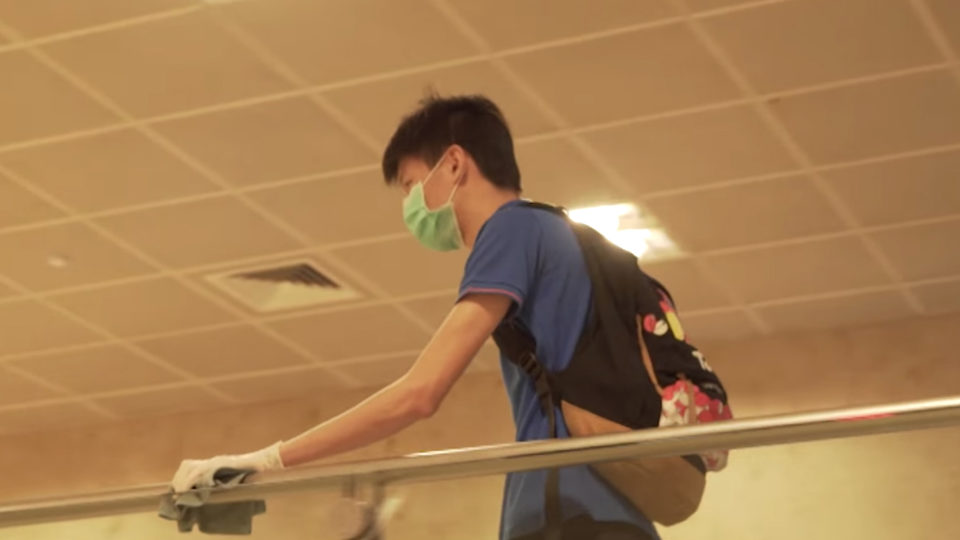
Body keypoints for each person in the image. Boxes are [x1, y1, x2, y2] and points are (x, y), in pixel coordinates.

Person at [171, 95, 727, 540]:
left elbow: (420, 393)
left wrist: (263, 459)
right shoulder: (578, 242)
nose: (410, 204)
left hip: (564, 514)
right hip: (620, 513)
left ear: (455, 164)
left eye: (412, 185)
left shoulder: (511, 230)